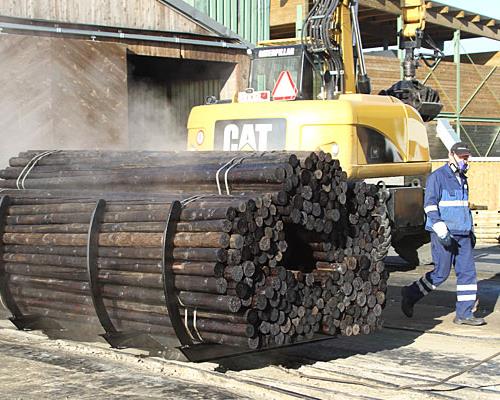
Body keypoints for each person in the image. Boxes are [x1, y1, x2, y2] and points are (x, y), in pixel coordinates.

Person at [401, 141, 485, 326]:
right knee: (441, 273)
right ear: (451, 155)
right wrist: (440, 229)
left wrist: (470, 230)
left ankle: (464, 314)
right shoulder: (437, 177)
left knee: (467, 273)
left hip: (462, 233)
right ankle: (410, 293)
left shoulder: (463, 179)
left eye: (466, 157)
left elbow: (464, 208)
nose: (465, 160)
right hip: (444, 234)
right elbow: (430, 205)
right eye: (462, 157)